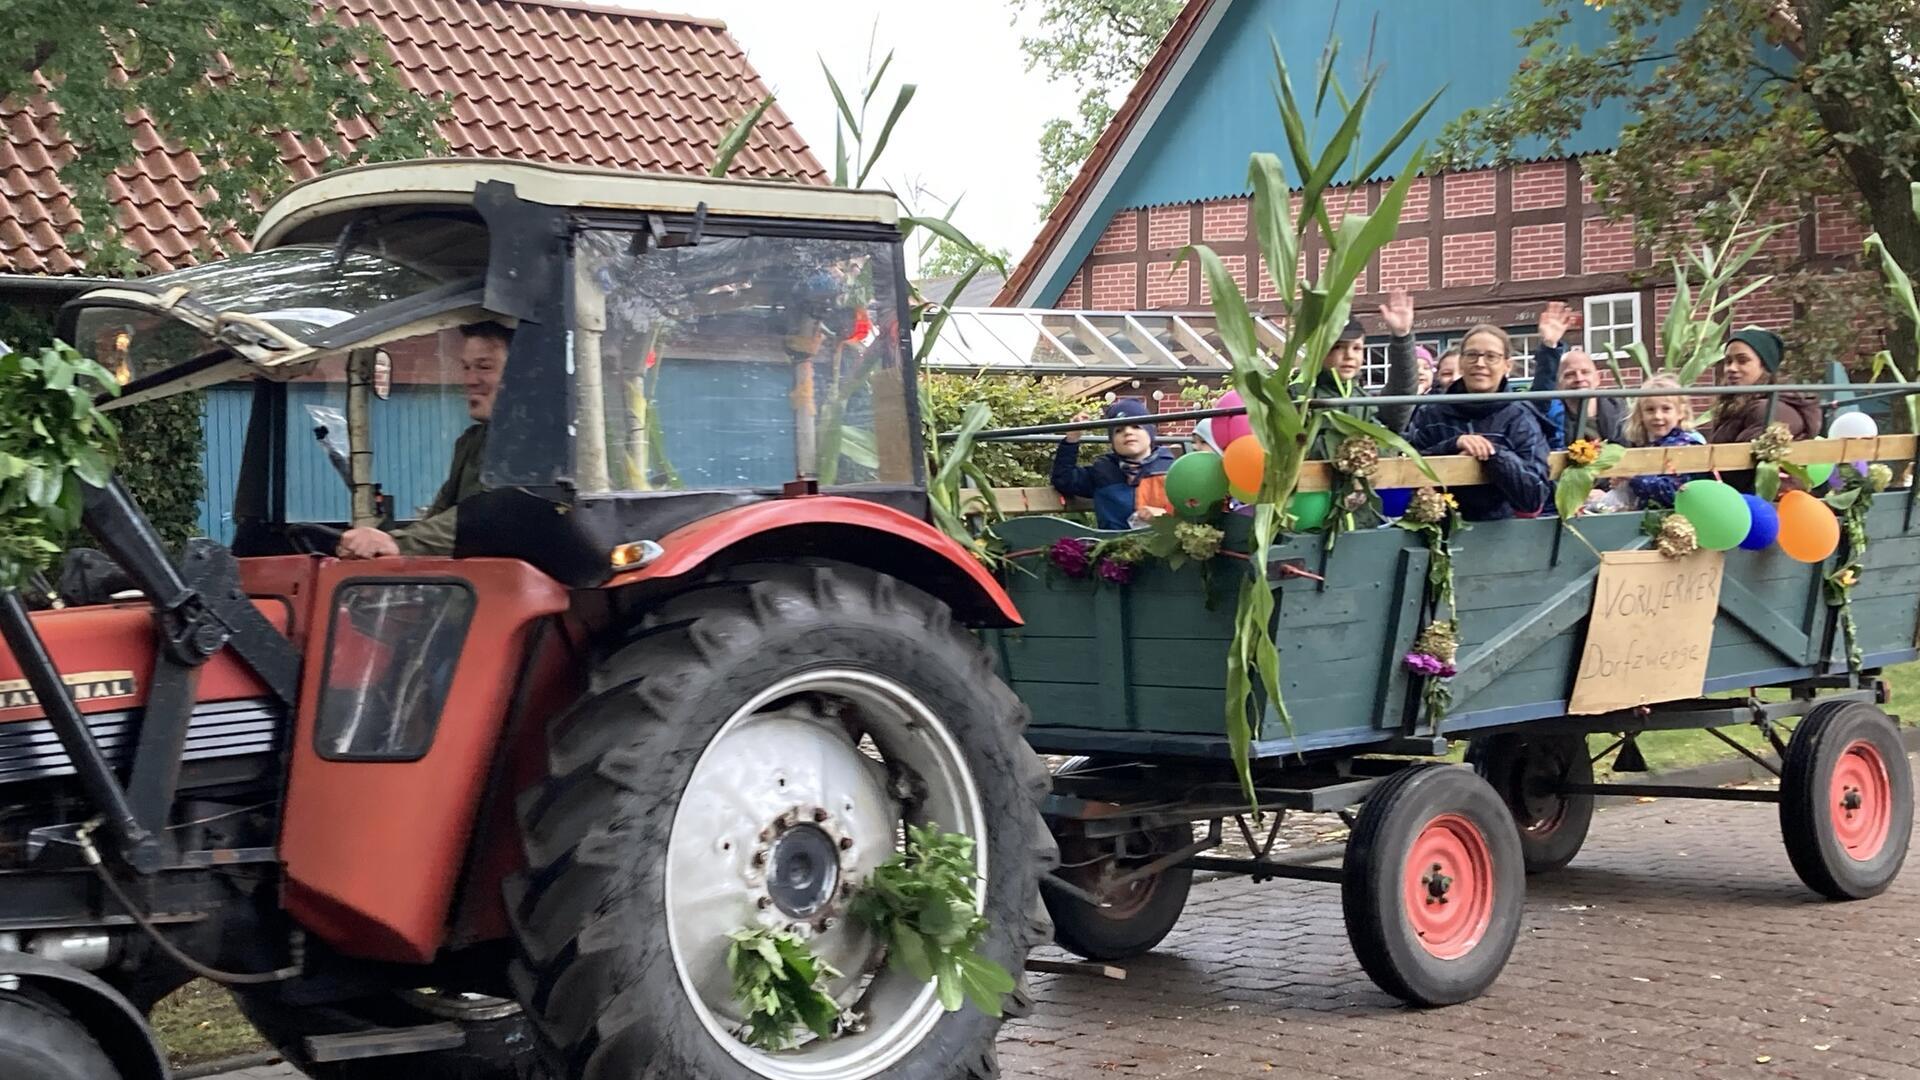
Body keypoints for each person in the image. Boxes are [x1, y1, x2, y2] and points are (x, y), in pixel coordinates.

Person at [337, 321, 510, 559]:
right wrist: (389, 546)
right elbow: (441, 515)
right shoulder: (471, 443)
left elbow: (496, 515)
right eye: (466, 368)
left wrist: (398, 544)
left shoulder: (541, 445)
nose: (470, 380)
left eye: (484, 367)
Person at [1404, 324, 1553, 521]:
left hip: (1502, 531)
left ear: (1506, 366)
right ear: (1462, 362)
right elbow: (1408, 472)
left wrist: (1492, 454)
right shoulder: (1431, 413)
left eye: (1491, 357)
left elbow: (1533, 497)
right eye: (1472, 355)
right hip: (1437, 527)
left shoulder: (1521, 417)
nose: (1480, 363)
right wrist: (1453, 445)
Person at [1584, 375, 1704, 513]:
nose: (1658, 416)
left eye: (1666, 409)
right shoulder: (1648, 446)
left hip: (1680, 521)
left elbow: (1675, 492)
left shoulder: (1686, 446)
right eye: (1650, 410)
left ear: (1680, 412)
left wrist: (1633, 477)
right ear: (1640, 414)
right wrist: (1624, 482)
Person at [1052, 397, 1175, 530]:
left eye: (1136, 426)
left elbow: (1191, 512)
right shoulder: (1103, 471)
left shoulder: (1171, 470)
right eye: (1118, 430)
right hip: (1114, 544)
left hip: (1162, 544)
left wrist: (1165, 516)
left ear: (1150, 433)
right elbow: (1063, 480)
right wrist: (1072, 439)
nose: (1128, 432)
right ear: (1112, 441)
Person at [1314, 288, 1423, 434]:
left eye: (1357, 348)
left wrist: (1402, 336)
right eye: (1338, 347)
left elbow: (1401, 396)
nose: (1349, 355)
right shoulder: (1303, 397)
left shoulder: (1365, 401)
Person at [1526, 301, 1624, 447]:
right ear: (1558, 384)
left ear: (1597, 379)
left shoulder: (1620, 409)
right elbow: (1540, 394)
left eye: (1585, 372)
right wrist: (1549, 345)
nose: (1579, 379)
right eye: (1569, 374)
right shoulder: (1550, 412)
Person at [1703, 327, 1820, 443]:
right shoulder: (1739, 406)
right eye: (1728, 361)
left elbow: (1741, 456)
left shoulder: (1770, 410)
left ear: (1765, 366)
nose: (1731, 368)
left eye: (1742, 360)